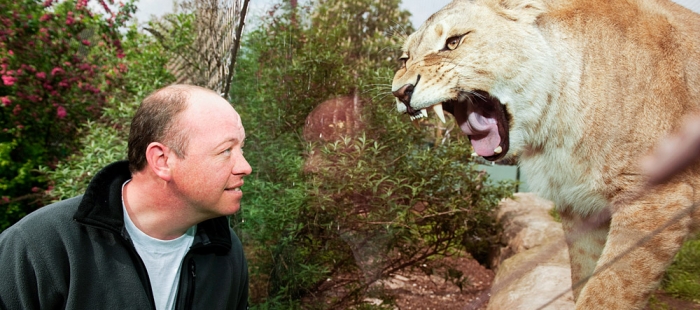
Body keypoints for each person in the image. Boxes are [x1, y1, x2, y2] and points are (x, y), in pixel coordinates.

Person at [0, 84, 252, 310]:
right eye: (225, 150)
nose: (245, 166)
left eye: (241, 148)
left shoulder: (225, 252)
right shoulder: (38, 247)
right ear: (162, 160)